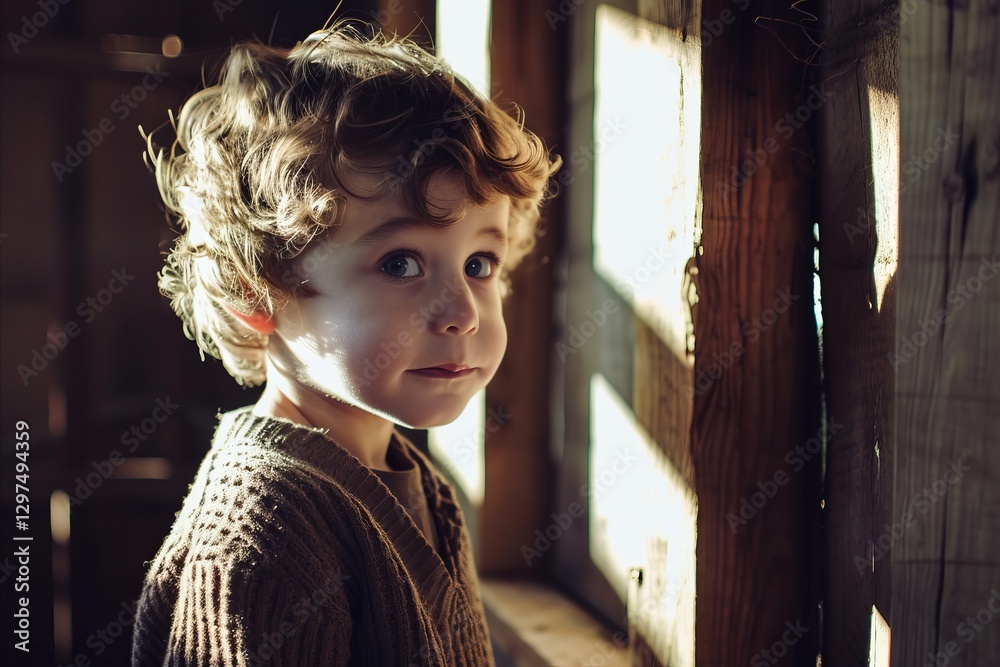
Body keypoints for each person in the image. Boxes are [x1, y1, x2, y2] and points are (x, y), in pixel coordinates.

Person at [131, 21, 560, 666]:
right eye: (401, 264)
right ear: (258, 297)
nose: (464, 313)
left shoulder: (412, 486)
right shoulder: (262, 540)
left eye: (479, 264)